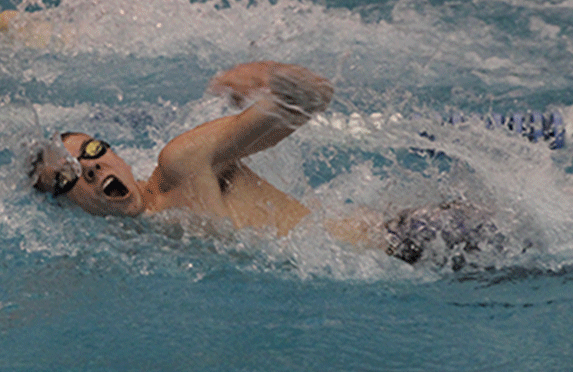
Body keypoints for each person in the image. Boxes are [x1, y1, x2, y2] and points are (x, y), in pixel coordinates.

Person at [30, 60, 505, 267]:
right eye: (68, 177)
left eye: (91, 151)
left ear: (114, 153)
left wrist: (272, 81)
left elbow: (312, 98)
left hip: (420, 241)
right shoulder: (142, 242)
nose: (88, 168)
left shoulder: (181, 165)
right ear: (69, 207)